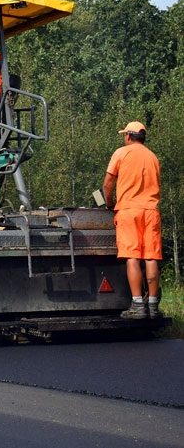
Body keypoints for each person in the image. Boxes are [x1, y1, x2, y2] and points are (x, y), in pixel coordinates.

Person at [102, 121, 163, 320]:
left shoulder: (121, 153)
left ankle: (137, 304)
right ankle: (152, 305)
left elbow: (108, 183)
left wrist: (109, 203)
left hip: (129, 211)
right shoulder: (153, 157)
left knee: (133, 256)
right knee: (151, 257)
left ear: (128, 136)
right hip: (151, 211)